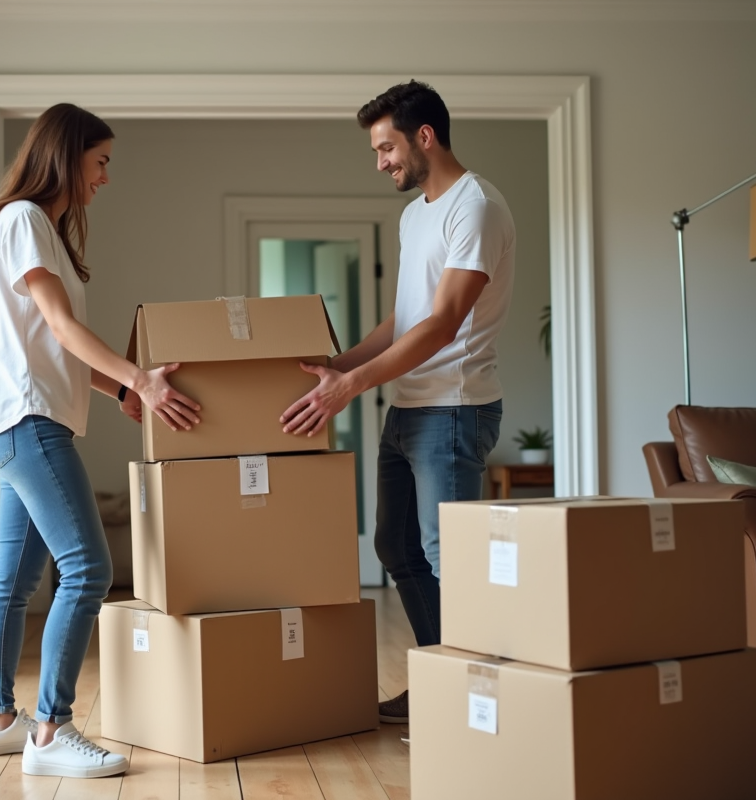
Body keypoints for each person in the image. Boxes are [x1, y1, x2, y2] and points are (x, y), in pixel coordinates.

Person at [0, 102, 201, 778]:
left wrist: (123, 391)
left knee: (13, 582)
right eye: (101, 162)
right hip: (30, 424)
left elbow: (51, 349)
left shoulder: (32, 228)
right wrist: (140, 380)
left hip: (17, 421)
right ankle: (50, 732)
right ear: (68, 156)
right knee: (89, 568)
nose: (105, 177)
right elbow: (64, 331)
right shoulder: (26, 221)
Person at [280, 81, 515, 725]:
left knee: (450, 558)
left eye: (386, 147)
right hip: (408, 409)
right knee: (395, 548)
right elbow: (405, 317)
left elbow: (441, 325)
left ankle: (480, 697)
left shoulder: (478, 207)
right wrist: (341, 363)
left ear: (425, 137)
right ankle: (444, 675)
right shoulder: (416, 215)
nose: (380, 161)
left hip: (455, 408)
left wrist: (350, 388)